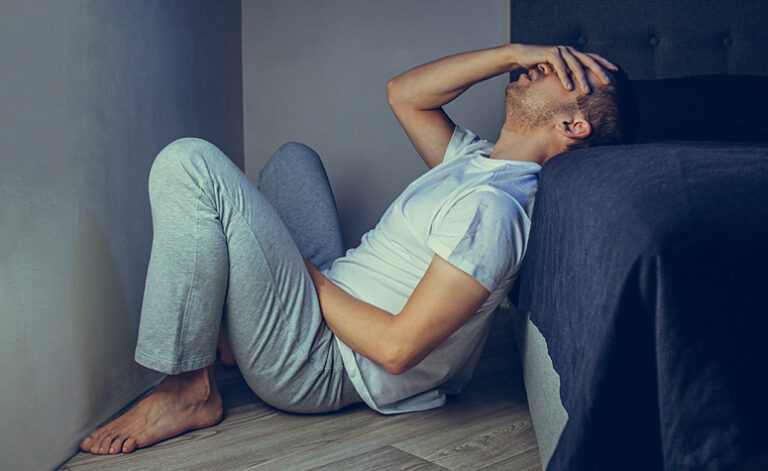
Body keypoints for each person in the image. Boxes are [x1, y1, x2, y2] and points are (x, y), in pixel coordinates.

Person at [79, 43, 638, 455]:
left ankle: (187, 388)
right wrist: (514, 53)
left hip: (324, 362)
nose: (547, 65)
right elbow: (405, 94)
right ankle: (236, 332)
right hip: (331, 296)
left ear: (574, 125)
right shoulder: (476, 161)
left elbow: (396, 350)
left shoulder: (493, 211)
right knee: (293, 160)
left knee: (189, 162)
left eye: (568, 75)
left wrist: (307, 278)